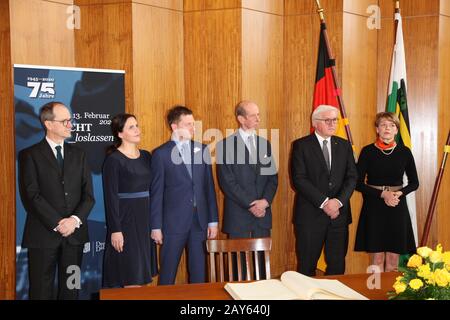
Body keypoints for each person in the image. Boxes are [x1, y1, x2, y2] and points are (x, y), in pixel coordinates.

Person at [18, 101, 95, 300]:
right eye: (65, 121)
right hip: (42, 236)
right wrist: (58, 223)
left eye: (71, 120)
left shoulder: (80, 155)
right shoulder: (29, 155)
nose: (70, 125)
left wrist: (73, 221)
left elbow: (88, 196)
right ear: (49, 124)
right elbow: (31, 196)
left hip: (75, 237)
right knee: (41, 291)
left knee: (72, 287)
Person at [150, 106, 219, 285]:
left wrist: (213, 220)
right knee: (167, 275)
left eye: (193, 124)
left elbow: (208, 188)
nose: (193, 128)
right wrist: (155, 226)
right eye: (188, 124)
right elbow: (156, 193)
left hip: (200, 222)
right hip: (172, 224)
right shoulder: (160, 154)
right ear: (174, 127)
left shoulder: (202, 150)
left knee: (199, 274)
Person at [291, 104, 357, 276]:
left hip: (339, 217)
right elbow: (299, 179)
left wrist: (338, 202)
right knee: (306, 267)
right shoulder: (301, 145)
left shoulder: (344, 145)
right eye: (328, 120)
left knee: (337, 267)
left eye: (335, 120)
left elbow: (352, 177)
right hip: (310, 217)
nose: (333, 124)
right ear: (315, 122)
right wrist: (325, 202)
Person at [354, 112, 419, 272]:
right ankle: (375, 292)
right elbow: (357, 183)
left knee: (393, 258)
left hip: (397, 205)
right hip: (374, 205)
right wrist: (383, 194)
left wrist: (398, 194)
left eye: (391, 125)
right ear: (377, 129)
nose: (387, 128)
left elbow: (414, 183)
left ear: (396, 130)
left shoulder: (405, 152)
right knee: (377, 257)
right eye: (383, 125)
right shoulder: (367, 151)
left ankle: (390, 295)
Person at [102, 113, 158, 288]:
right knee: (131, 274)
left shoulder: (147, 156)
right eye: (131, 127)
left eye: (137, 125)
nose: (137, 130)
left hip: (146, 220)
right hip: (126, 222)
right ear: (120, 134)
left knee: (142, 275)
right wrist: (115, 230)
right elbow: (110, 198)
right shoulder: (113, 160)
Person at [216, 100, 278, 240]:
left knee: (262, 261)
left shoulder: (264, 144)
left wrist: (265, 202)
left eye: (259, 114)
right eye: (253, 116)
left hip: (262, 217)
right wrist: (251, 205)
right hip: (239, 217)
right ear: (241, 119)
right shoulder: (225, 146)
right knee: (238, 262)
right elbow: (227, 183)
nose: (258, 119)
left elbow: (272, 178)